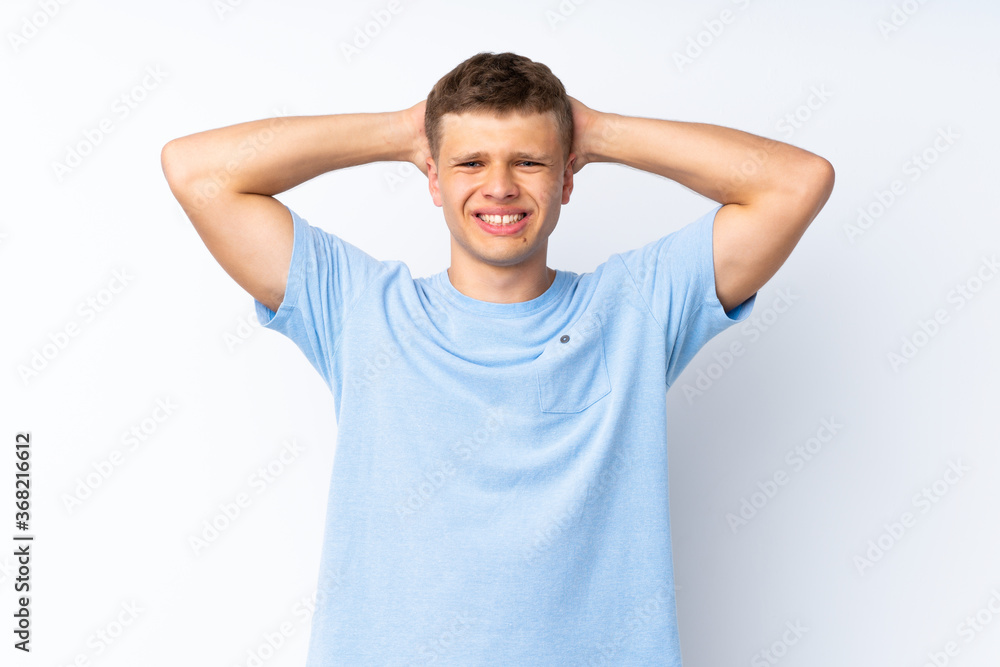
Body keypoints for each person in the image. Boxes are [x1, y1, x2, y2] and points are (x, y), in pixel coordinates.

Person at [161, 51, 833, 666]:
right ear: (432, 176)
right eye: (471, 161)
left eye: (530, 161)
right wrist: (403, 130)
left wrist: (592, 130)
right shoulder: (361, 309)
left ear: (568, 178)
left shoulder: (636, 308)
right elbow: (198, 172)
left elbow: (796, 182)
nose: (501, 186)